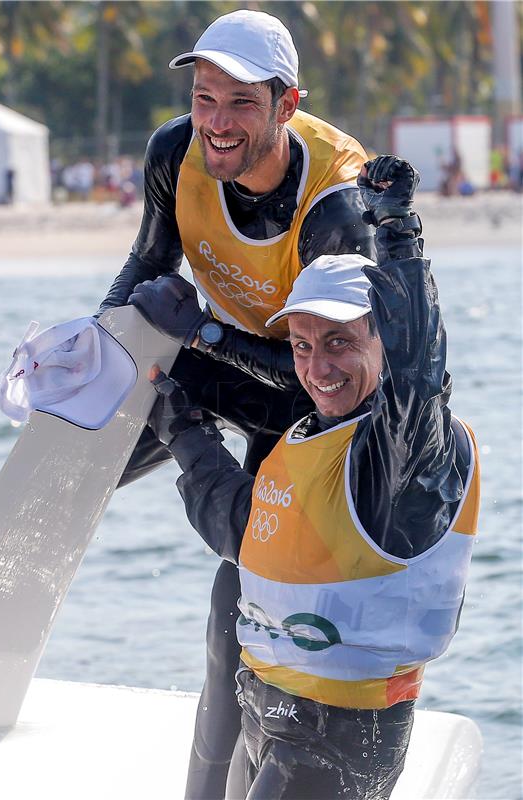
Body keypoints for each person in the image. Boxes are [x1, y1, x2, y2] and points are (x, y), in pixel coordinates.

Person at [97, 10, 374, 798]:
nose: (215, 123)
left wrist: (207, 331)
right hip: (229, 362)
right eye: (204, 98)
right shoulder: (174, 149)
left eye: (241, 104)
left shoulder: (336, 208)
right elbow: (145, 268)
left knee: (237, 605)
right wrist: (92, 347)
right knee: (96, 417)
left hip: (312, 409)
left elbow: (320, 376)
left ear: (287, 107)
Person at [143, 155, 481, 799]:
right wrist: (185, 429)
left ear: (382, 339)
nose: (318, 368)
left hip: (340, 742)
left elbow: (418, 370)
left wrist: (399, 228)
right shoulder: (307, 439)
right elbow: (244, 532)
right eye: (302, 345)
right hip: (266, 717)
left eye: (340, 342)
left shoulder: (407, 455)